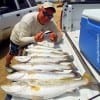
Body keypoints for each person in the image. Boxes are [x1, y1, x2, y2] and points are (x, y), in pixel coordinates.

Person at [5, 2, 63, 73]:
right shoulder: (28, 20)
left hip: (31, 38)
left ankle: (20, 57)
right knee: (12, 53)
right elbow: (21, 38)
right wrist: (34, 39)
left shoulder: (50, 22)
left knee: (24, 53)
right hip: (17, 38)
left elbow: (59, 33)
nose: (47, 17)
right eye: (45, 13)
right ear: (39, 10)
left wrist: (56, 37)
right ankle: (7, 65)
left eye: (50, 16)